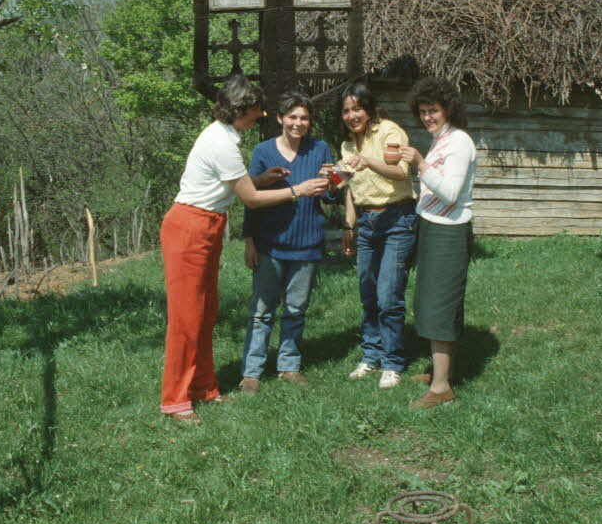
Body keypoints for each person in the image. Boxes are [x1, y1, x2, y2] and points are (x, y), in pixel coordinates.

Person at [160, 75, 329, 422]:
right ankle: (175, 399)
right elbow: (249, 200)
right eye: (255, 109)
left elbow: (237, 185)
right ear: (241, 108)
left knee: (205, 313)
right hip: (189, 228)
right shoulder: (221, 143)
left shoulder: (225, 137)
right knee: (186, 318)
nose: (260, 114)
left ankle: (204, 387)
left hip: (206, 225)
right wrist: (298, 191)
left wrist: (264, 179)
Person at [239, 91, 335, 394]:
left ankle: (288, 365)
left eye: (304, 117)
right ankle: (251, 372)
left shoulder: (319, 149)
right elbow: (250, 199)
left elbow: (332, 192)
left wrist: (331, 185)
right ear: (280, 119)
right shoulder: (264, 152)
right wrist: (249, 240)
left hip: (307, 241)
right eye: (292, 116)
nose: (298, 123)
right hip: (270, 243)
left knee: (295, 309)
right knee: (262, 310)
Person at [398, 76, 477, 410]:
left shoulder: (459, 142)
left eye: (434, 110)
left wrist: (419, 163)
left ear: (448, 109)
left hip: (449, 230)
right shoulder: (441, 139)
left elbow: (450, 193)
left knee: (439, 304)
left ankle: (442, 386)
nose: (428, 117)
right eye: (423, 111)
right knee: (432, 300)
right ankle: (438, 372)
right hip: (432, 226)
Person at [339, 82, 416, 389]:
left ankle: (392, 362)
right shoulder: (346, 145)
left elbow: (401, 173)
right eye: (345, 110)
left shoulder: (389, 132)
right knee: (368, 293)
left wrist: (369, 161)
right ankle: (370, 356)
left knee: (388, 295)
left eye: (357, 108)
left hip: (397, 218)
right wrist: (348, 226)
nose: (351, 115)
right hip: (366, 222)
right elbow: (350, 187)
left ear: (368, 109)